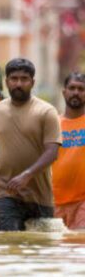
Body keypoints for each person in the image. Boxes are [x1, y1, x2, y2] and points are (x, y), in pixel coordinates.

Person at [0, 58, 61, 232]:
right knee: (8, 242)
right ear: (6, 82)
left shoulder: (47, 112)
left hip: (40, 195)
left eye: (24, 79)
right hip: (6, 193)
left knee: (40, 250)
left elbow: (52, 152)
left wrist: (27, 175)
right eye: (14, 79)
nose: (18, 84)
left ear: (32, 82)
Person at [52, 72, 85, 229]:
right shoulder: (52, 125)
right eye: (72, 88)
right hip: (55, 202)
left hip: (82, 202)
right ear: (64, 91)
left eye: (81, 89)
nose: (76, 92)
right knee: (59, 249)